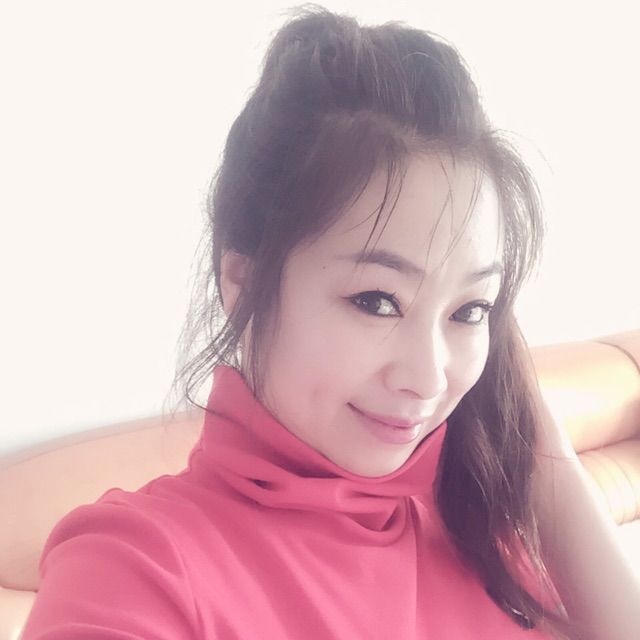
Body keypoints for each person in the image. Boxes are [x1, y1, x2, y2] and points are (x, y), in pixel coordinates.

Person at [21, 6, 639, 640]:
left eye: (469, 310)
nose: (428, 379)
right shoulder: (133, 568)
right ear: (244, 282)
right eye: (377, 300)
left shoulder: (481, 526)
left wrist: (531, 441)